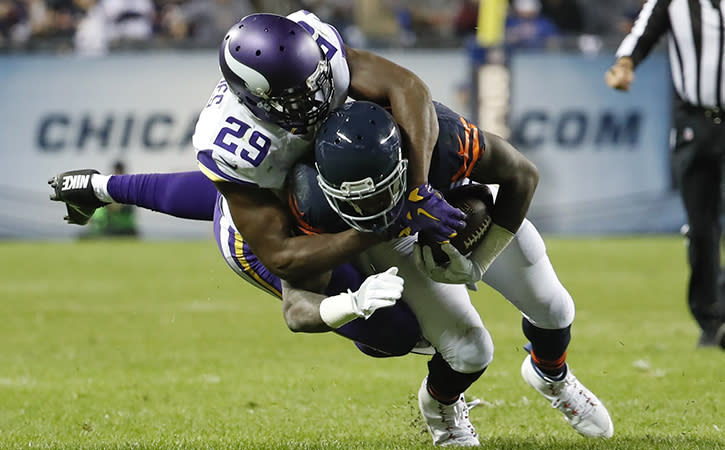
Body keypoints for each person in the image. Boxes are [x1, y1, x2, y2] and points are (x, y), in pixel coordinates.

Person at [50, 100, 614, 445]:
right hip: (383, 245)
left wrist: (480, 252)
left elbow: (520, 172)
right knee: (451, 346)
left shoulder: (431, 137)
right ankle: (441, 410)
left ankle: (552, 373)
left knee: (554, 306)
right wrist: (354, 299)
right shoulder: (300, 196)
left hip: (441, 211)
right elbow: (223, 202)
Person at [605, 0, 725, 350]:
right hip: (694, 119)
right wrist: (625, 65)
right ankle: (711, 319)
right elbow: (642, 34)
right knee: (701, 226)